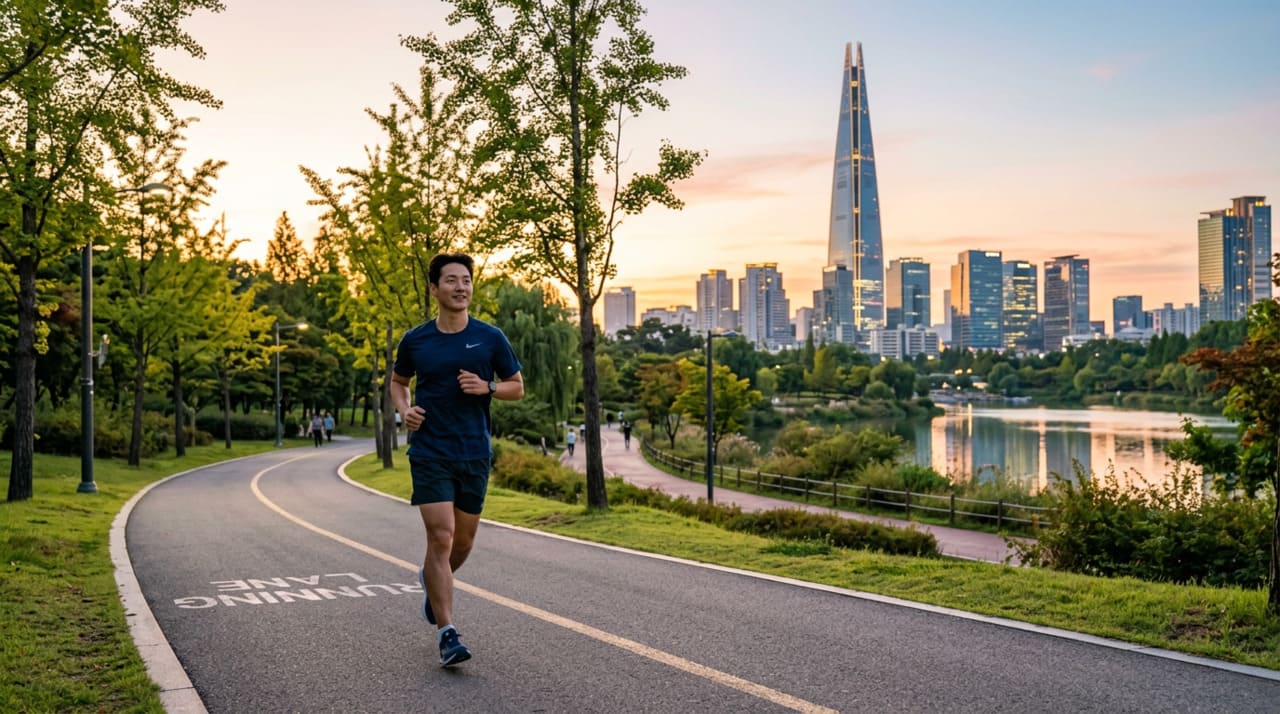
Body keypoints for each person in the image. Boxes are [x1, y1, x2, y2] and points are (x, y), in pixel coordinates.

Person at [390, 253, 524, 668]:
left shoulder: (490, 337)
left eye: (466, 280)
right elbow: (399, 382)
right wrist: (404, 411)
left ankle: (433, 581)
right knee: (442, 537)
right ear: (434, 288)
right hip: (430, 451)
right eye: (451, 280)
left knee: (462, 544)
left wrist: (486, 387)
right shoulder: (416, 340)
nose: (460, 287)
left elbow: (516, 387)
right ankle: (447, 633)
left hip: (474, 452)